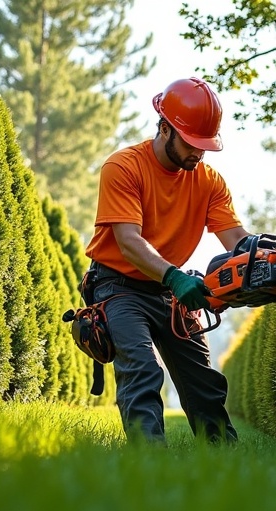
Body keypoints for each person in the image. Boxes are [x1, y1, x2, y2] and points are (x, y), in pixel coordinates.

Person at [84, 77, 252, 445]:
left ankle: (223, 455)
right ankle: (149, 461)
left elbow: (236, 240)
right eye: (192, 144)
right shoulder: (123, 167)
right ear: (164, 128)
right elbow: (128, 241)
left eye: (205, 146)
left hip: (171, 289)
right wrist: (175, 278)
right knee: (143, 368)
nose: (199, 153)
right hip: (119, 286)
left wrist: (259, 259)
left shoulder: (209, 181)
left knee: (202, 380)